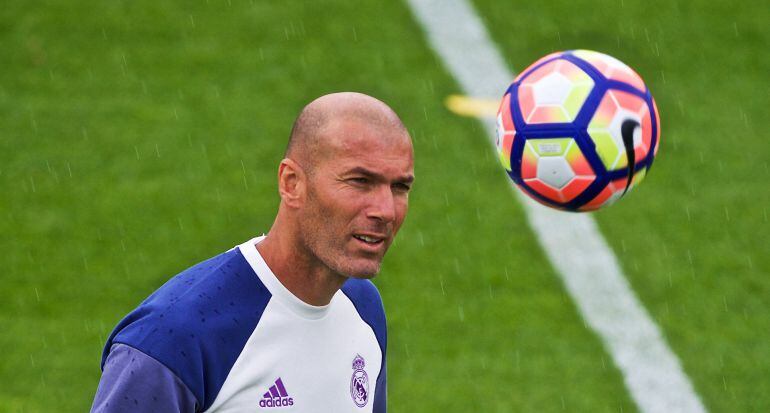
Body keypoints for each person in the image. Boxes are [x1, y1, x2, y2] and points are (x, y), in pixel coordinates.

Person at [91, 92, 415, 412]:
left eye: (399, 187)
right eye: (359, 181)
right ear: (292, 184)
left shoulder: (364, 309)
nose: (386, 210)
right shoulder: (172, 342)